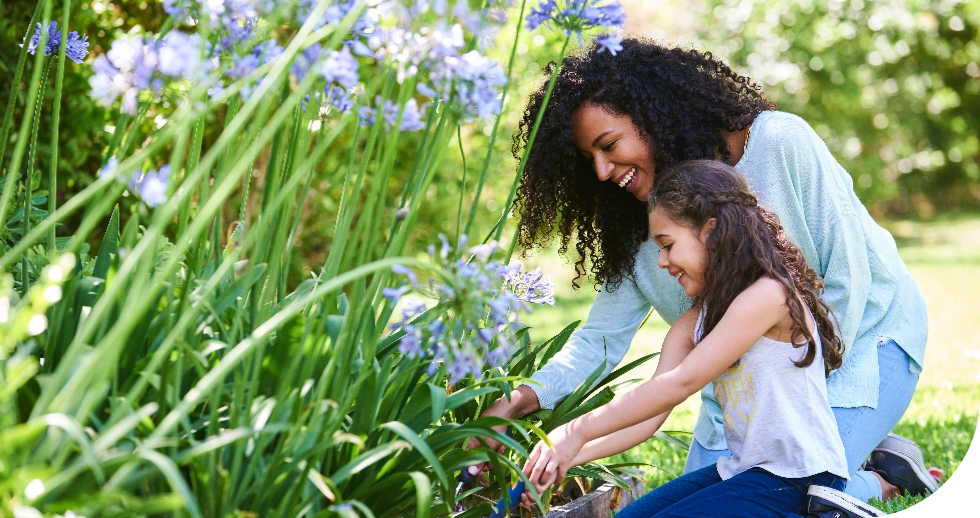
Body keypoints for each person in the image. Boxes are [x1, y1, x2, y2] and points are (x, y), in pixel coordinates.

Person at [468, 37, 937, 503]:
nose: (602, 171)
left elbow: (848, 281)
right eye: (588, 158)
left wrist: (802, 406)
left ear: (653, 116)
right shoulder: (644, 227)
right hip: (745, 391)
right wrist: (516, 402)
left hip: (863, 346)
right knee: (711, 498)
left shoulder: (777, 141)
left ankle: (882, 479)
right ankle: (870, 463)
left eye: (609, 145)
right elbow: (599, 342)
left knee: (805, 490)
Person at [520, 159, 881, 517]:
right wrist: (564, 456)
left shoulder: (769, 296)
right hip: (745, 471)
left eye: (667, 244)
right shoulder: (695, 322)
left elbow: (683, 382)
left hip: (799, 478)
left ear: (710, 231)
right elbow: (651, 415)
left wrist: (577, 430)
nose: (661, 261)